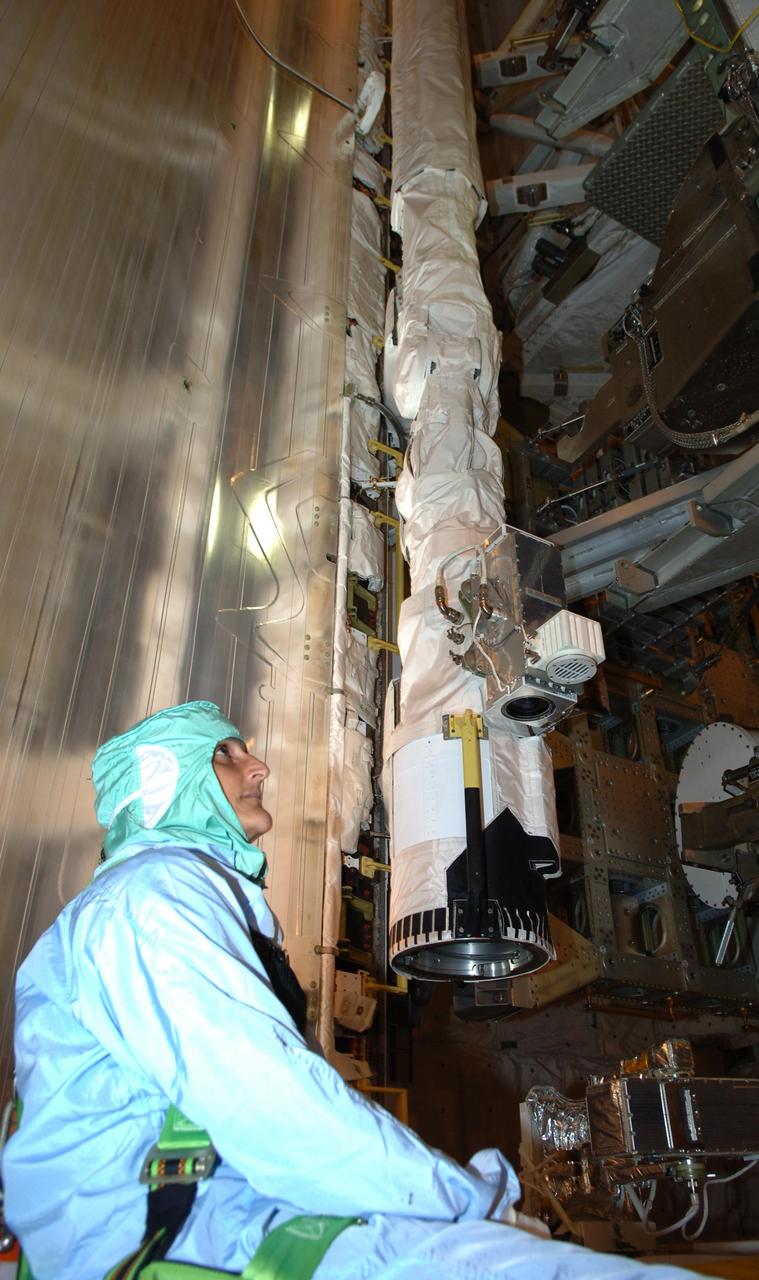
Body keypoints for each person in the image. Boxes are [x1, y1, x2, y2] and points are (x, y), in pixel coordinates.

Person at [1, 701, 702, 1280]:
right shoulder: (150, 901)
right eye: (224, 754)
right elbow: (261, 1096)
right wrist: (460, 1201)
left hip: (205, 1224)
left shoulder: (172, 900)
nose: (258, 767)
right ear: (167, 782)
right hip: (179, 1238)